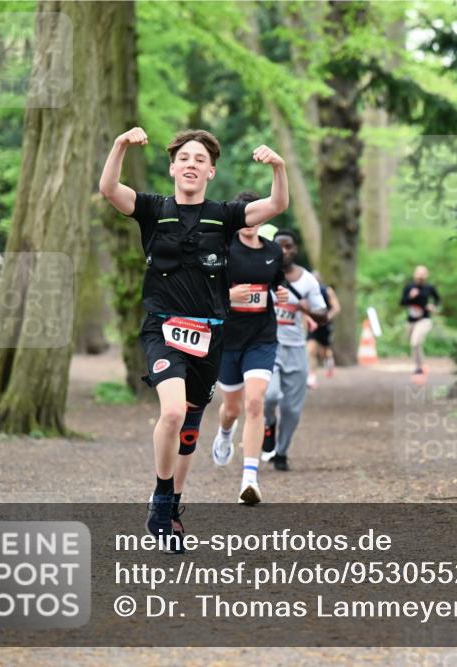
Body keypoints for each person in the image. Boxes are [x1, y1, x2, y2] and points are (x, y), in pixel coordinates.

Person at [99, 127, 288, 546]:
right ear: (172, 168)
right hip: (162, 328)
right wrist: (120, 145)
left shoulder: (223, 215)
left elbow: (276, 204)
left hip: (210, 333)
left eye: (200, 160)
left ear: (211, 172)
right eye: (184, 158)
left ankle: (173, 504)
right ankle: (162, 497)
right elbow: (109, 188)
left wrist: (278, 166)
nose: (191, 164)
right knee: (170, 413)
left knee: (188, 430)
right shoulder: (152, 209)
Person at [210, 191, 289, 505]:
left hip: (261, 337)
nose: (250, 220)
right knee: (232, 409)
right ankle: (225, 433)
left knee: (255, 402)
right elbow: (203, 291)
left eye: (256, 214)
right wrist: (228, 297)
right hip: (228, 339)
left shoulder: (272, 251)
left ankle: (250, 479)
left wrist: (279, 295)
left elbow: (276, 284)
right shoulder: (222, 250)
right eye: (244, 214)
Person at [261, 230, 327, 471]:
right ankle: (268, 424)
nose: (285, 251)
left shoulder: (308, 281)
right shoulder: (263, 273)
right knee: (270, 396)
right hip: (267, 345)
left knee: (292, 408)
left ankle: (281, 452)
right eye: (280, 247)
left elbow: (323, 316)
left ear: (296, 249)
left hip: (297, 349)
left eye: (289, 247)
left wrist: (303, 307)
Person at [400, 265, 440, 375]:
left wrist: (433, 306)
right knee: (414, 343)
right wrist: (410, 297)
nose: (420, 276)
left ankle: (419, 368)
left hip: (424, 320)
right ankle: (420, 365)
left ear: (426, 275)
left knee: (415, 341)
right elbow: (402, 302)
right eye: (418, 273)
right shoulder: (409, 287)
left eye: (423, 274)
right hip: (411, 321)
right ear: (414, 274)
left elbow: (438, 299)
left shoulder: (429, 287)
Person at [306, 270, 340, 388]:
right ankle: (311, 377)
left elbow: (336, 307)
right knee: (310, 350)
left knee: (324, 352)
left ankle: (329, 361)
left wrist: (326, 318)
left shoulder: (327, 290)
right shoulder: (306, 292)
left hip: (325, 325)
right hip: (313, 325)